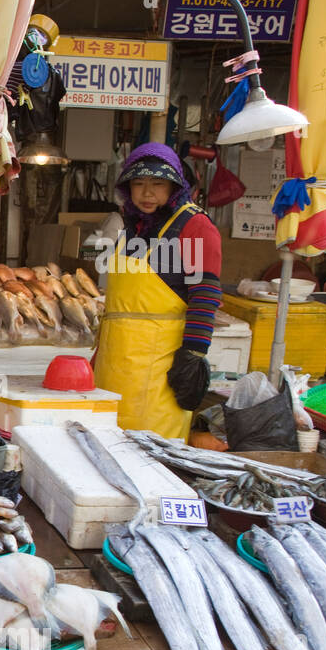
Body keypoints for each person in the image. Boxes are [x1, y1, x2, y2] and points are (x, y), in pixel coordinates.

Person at [94, 143, 222, 440]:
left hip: (159, 365)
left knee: (151, 451)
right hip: (114, 361)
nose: (147, 193)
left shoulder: (195, 225)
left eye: (157, 184)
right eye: (138, 184)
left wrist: (193, 353)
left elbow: (205, 293)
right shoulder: (132, 226)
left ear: (175, 185)